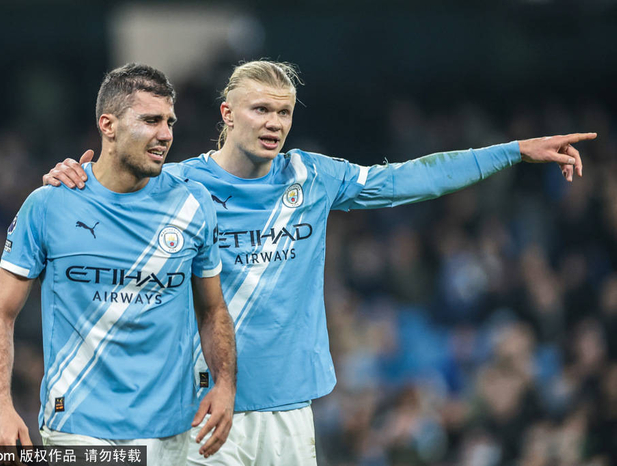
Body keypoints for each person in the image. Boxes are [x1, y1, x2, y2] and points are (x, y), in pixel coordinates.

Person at [43, 60, 596, 466]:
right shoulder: (176, 184)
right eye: (261, 109)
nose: (274, 123)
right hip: (204, 409)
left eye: (283, 112)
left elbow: (409, 179)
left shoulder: (313, 177)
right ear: (227, 114)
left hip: (290, 408)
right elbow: (102, 203)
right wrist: (69, 180)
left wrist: (513, 151)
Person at [0, 63, 237, 464]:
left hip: (171, 429)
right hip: (77, 425)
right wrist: (0, 406)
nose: (165, 134)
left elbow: (213, 309)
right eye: (150, 120)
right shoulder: (49, 204)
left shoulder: (193, 205)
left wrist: (225, 385)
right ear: (108, 125)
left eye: (169, 121)